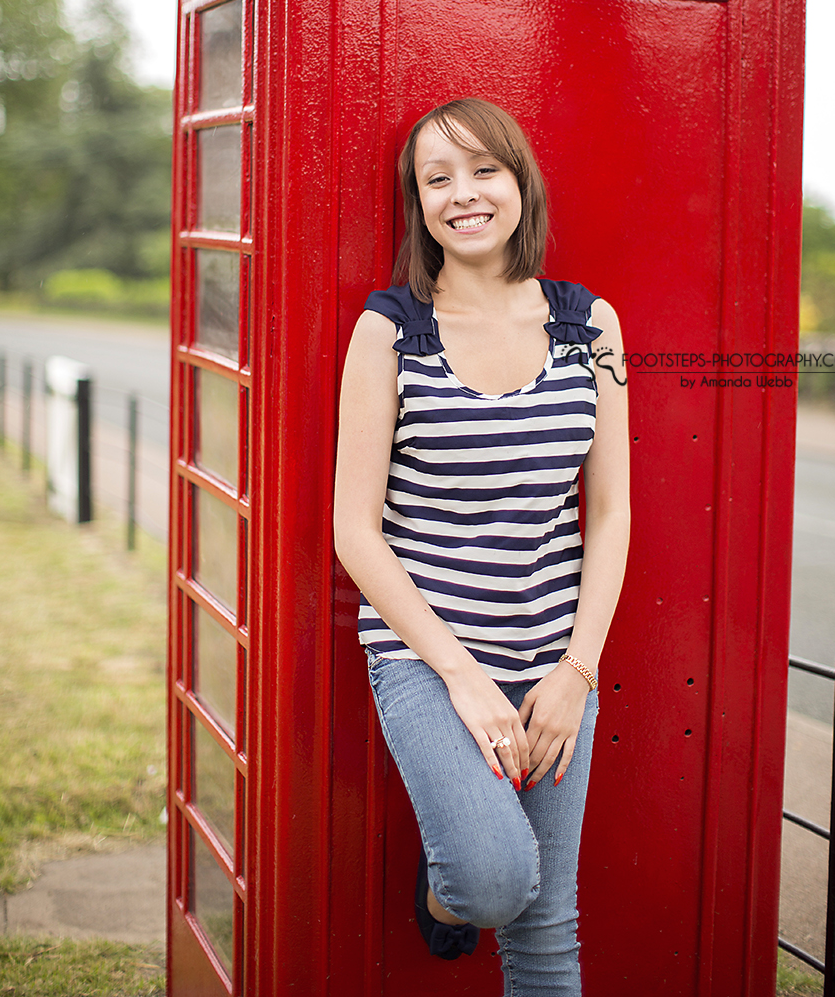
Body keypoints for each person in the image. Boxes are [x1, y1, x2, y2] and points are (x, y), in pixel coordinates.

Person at [333, 98, 630, 996]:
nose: (463, 194)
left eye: (483, 171)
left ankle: (461, 886)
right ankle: (453, 894)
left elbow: (610, 511)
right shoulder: (391, 331)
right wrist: (461, 675)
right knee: (498, 881)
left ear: (519, 183)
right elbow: (355, 527)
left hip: (550, 662)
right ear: (418, 203)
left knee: (548, 932)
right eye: (437, 178)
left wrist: (576, 674)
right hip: (427, 659)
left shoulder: (591, 327)